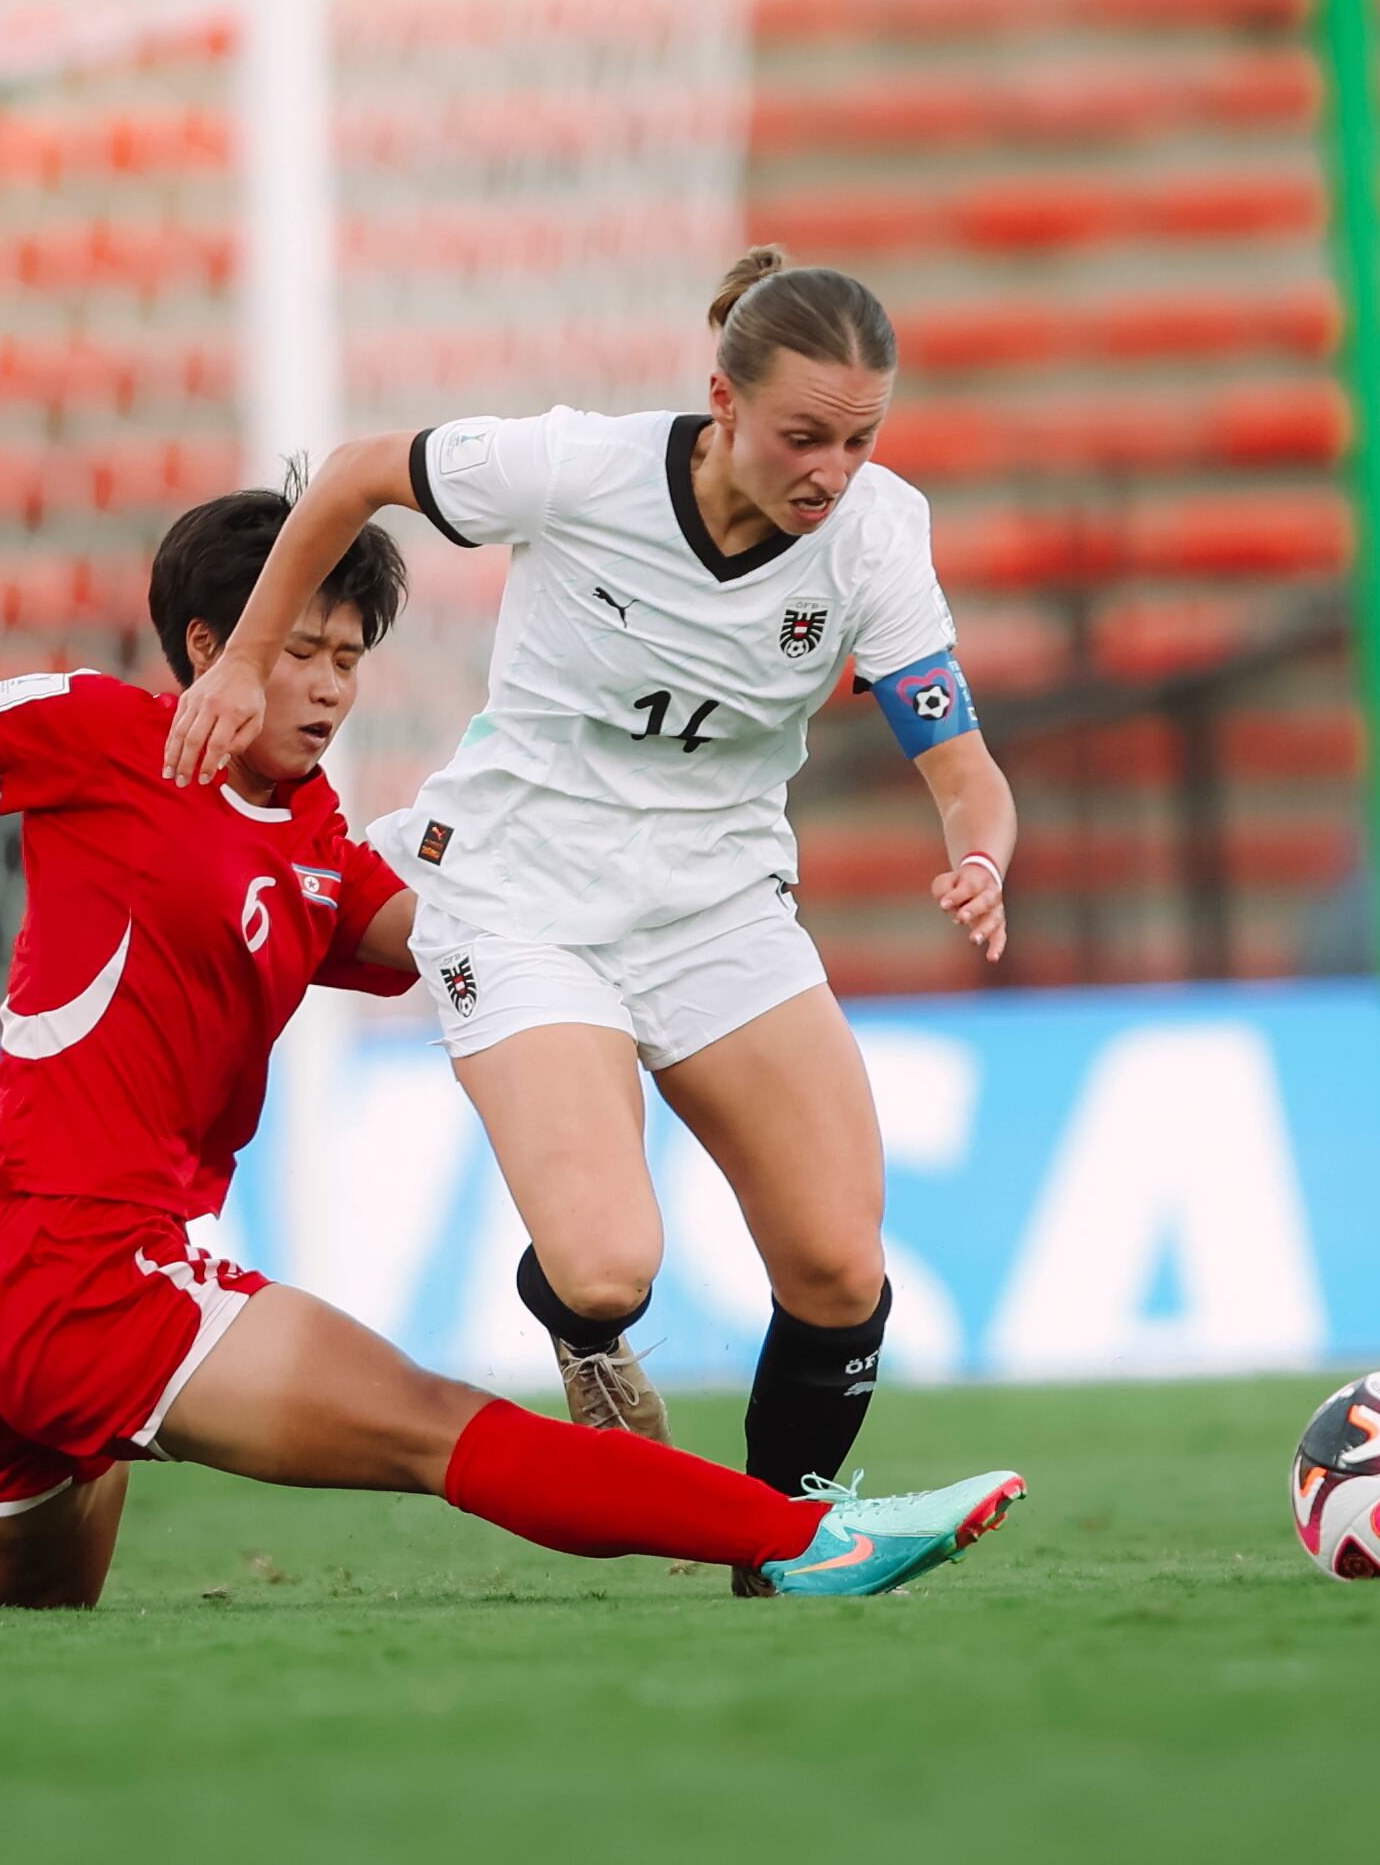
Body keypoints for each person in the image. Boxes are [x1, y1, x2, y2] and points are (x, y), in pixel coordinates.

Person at [0, 487, 1022, 1620]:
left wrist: (588, 817)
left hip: (4, 1281)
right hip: (83, 1259)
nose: (334, 682)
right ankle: (790, 1535)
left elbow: (463, 942)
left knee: (27, 1599)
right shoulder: (106, 736)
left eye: (352, 652)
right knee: (434, 1428)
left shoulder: (330, 849)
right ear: (211, 645)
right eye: (303, 648)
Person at [162, 247, 1019, 1595]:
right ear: (722, 403)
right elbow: (348, 476)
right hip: (518, 892)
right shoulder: (571, 466)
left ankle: (786, 1543)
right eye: (802, 435)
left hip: (718, 906)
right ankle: (580, 1324)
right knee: (609, 1266)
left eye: (859, 439)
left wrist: (979, 852)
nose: (829, 471)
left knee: (839, 1266)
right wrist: (249, 662)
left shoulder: (875, 534)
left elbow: (962, 767)